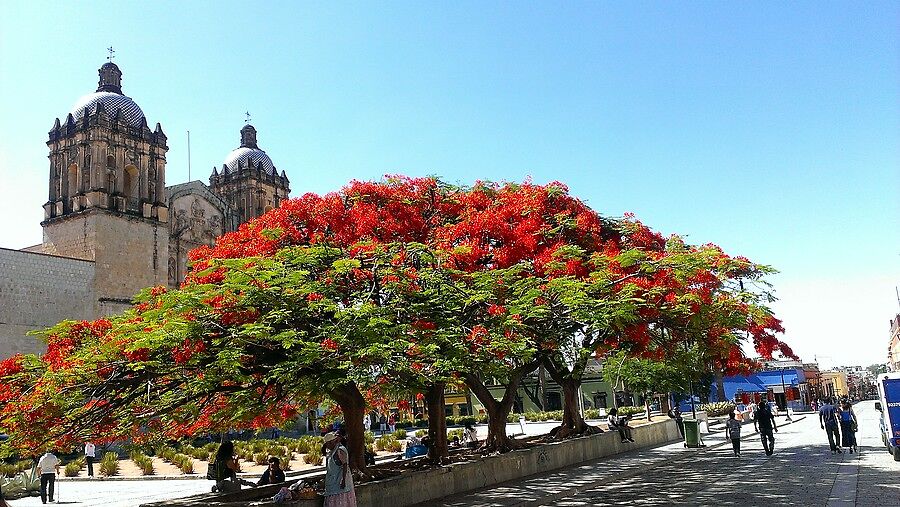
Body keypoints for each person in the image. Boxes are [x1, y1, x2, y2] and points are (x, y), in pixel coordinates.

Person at [323, 432, 357, 507]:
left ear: (332, 442)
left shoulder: (340, 450)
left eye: (328, 444)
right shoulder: (331, 451)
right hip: (332, 483)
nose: (327, 446)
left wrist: (343, 479)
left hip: (339, 484)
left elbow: (345, 465)